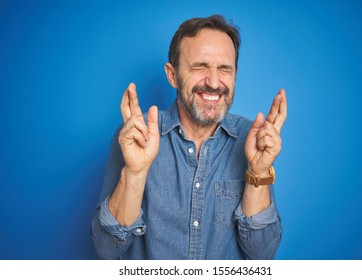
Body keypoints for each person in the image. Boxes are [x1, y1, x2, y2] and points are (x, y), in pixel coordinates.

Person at [91, 14, 287, 260]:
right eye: (199, 67)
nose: (214, 82)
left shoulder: (252, 138)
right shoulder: (135, 137)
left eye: (224, 69)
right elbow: (107, 250)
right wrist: (135, 173)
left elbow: (262, 255)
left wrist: (258, 174)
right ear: (172, 75)